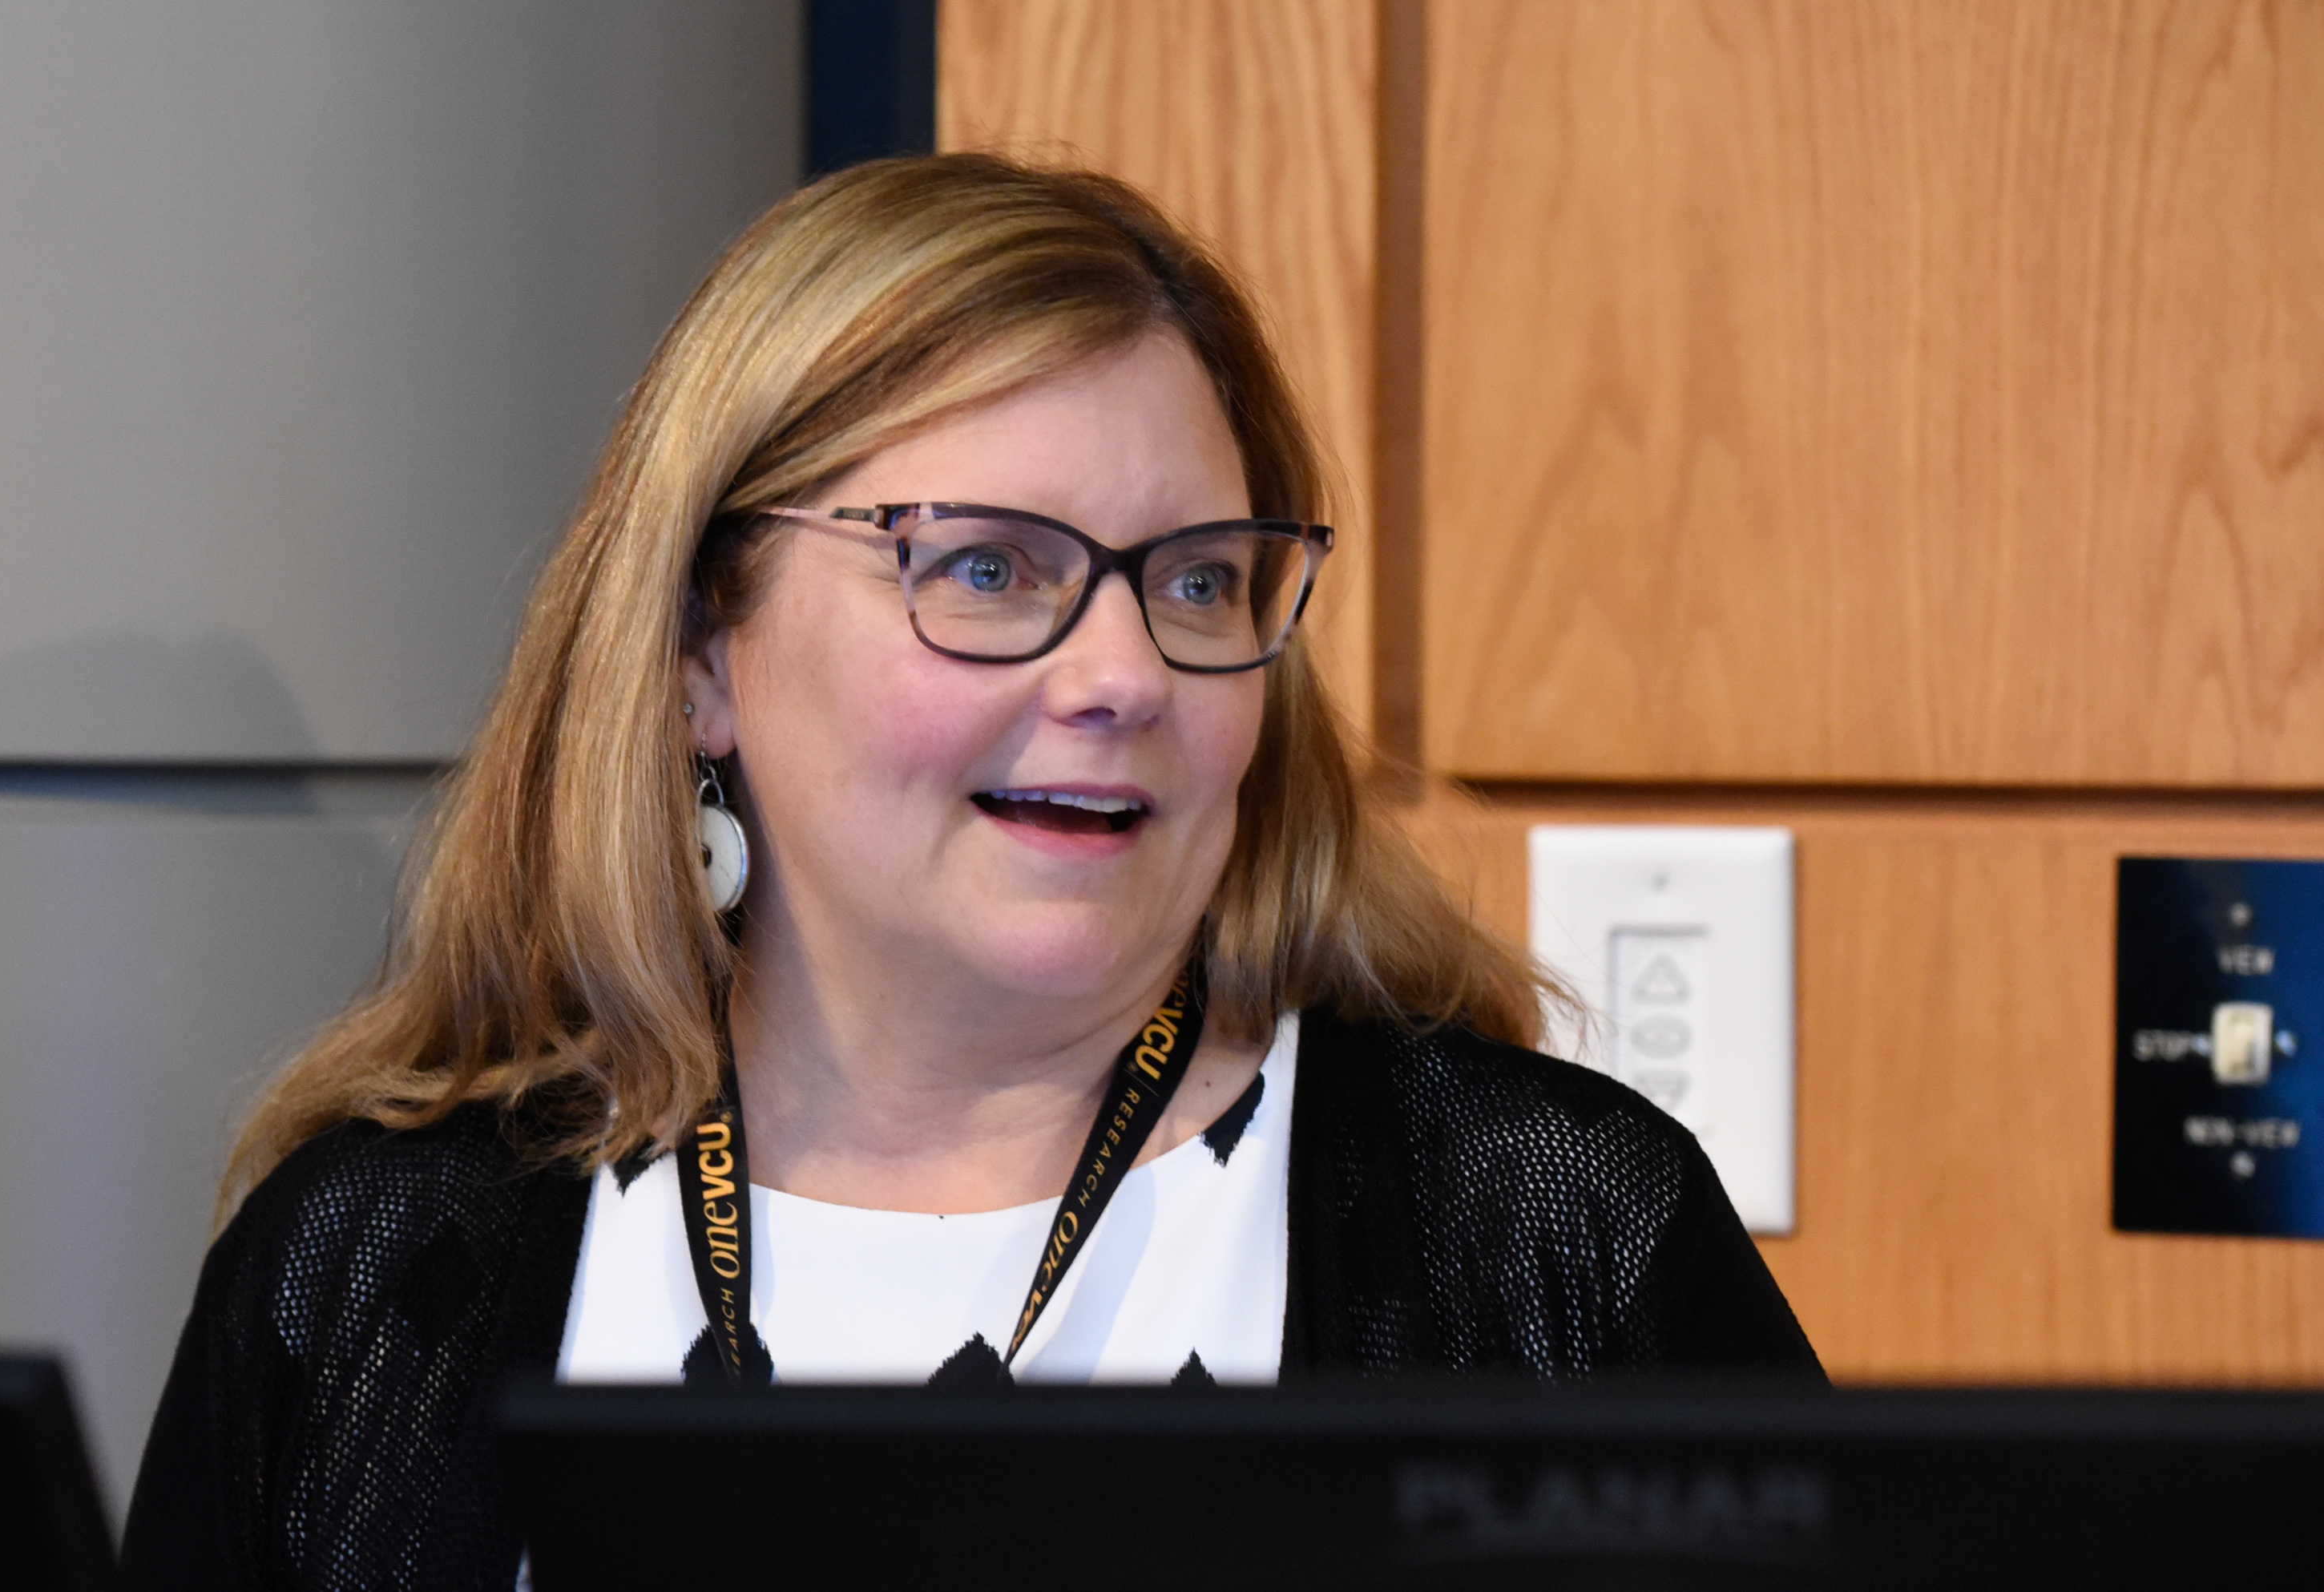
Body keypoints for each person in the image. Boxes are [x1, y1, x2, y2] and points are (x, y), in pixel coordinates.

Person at [119, 153, 1820, 1590]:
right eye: (994, 568)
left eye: (1199, 582)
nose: (1125, 674)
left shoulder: (1551, 1241)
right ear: (703, 650)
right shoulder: (367, 1271)